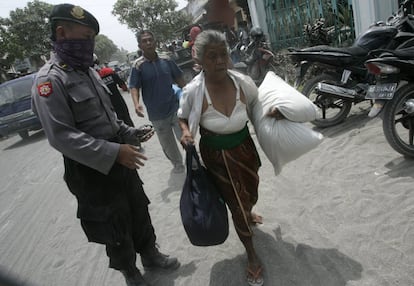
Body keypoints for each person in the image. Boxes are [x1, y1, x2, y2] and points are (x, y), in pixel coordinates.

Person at [31, 4, 179, 286]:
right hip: (91, 167)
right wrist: (113, 152)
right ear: (62, 33)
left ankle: (149, 253)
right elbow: (60, 136)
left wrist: (129, 133)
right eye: (85, 37)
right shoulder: (49, 80)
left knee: (138, 206)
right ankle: (131, 273)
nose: (90, 45)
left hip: (120, 154)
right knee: (114, 222)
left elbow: (108, 117)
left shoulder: (88, 71)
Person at [178, 30, 285, 286]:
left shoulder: (241, 82)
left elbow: (258, 107)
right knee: (237, 203)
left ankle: (248, 212)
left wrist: (274, 113)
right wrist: (184, 132)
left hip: (245, 148)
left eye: (223, 54)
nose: (218, 61)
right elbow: (182, 116)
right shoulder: (194, 91)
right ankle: (251, 256)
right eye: (211, 56)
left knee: (250, 191)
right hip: (217, 156)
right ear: (200, 59)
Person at [129, 30, 187, 173]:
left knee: (186, 137)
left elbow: (179, 77)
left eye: (150, 40)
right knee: (168, 144)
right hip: (157, 114)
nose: (148, 43)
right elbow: (134, 86)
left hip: (175, 107)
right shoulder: (137, 65)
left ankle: (194, 162)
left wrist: (187, 94)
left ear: (155, 42)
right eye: (144, 41)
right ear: (140, 45)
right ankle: (178, 165)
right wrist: (136, 104)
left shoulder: (166, 59)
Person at [93, 55, 135, 127]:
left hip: (106, 106)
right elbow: (121, 83)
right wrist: (125, 89)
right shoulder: (108, 71)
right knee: (126, 118)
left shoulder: (92, 78)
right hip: (118, 100)